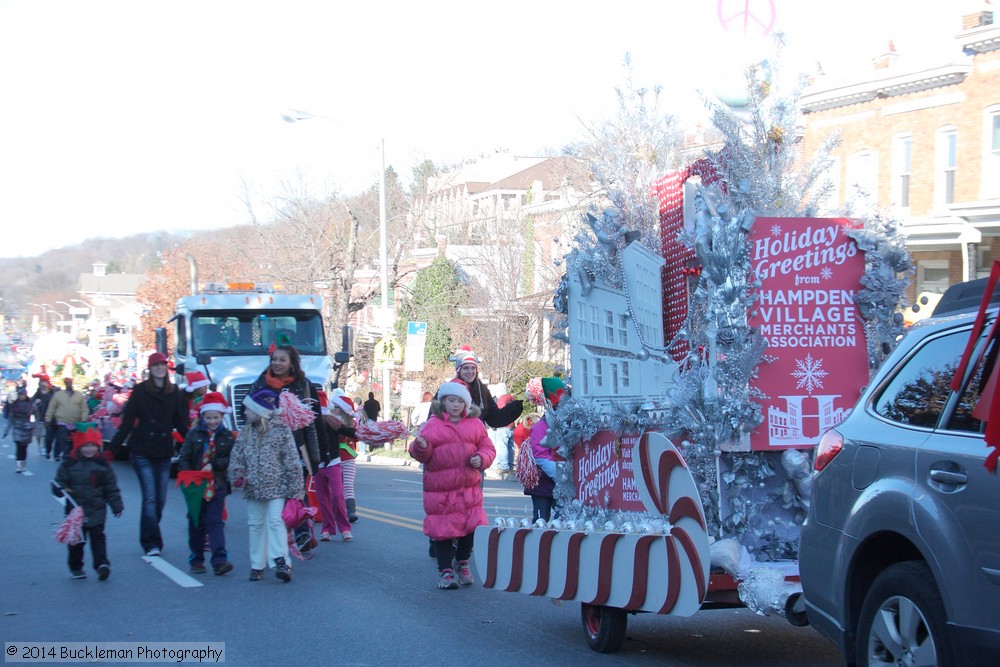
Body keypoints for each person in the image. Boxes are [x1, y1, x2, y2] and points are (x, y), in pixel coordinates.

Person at [409, 380, 495, 590]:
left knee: (472, 528)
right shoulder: (433, 424)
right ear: (443, 402)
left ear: (466, 404)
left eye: (459, 401)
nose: (455, 405)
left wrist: (481, 458)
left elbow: (488, 448)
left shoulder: (475, 424)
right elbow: (421, 453)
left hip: (468, 489)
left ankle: (463, 562)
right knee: (444, 531)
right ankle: (445, 571)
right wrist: (420, 447)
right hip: (441, 490)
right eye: (451, 400)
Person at [243, 344, 323, 554]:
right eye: (274, 359)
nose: (277, 363)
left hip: (297, 448)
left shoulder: (303, 385)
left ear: (291, 363)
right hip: (267, 449)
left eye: (282, 360)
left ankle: (303, 534)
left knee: (297, 491)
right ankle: (278, 536)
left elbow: (311, 422)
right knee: (274, 496)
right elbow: (248, 416)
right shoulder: (261, 383)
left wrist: (315, 457)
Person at [109, 352, 189, 557]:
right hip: (142, 449)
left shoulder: (175, 393)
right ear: (150, 369)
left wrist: (196, 442)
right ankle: (151, 542)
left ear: (167, 368)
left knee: (160, 499)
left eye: (163, 365)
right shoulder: (140, 391)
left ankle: (149, 532)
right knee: (150, 498)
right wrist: (112, 449)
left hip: (163, 451)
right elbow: (127, 422)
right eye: (156, 366)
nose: (160, 369)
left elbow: (181, 424)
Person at [228, 388, 304, 583]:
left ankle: (281, 561)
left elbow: (292, 461)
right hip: (253, 488)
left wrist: (296, 491)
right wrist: (237, 475)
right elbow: (237, 457)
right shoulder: (245, 432)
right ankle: (257, 565)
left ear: (260, 411)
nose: (244, 413)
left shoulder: (280, 430)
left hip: (277, 487)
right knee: (255, 525)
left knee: (275, 522)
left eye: (247, 409)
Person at [54, 423, 124, 580]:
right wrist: (59, 489)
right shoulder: (69, 464)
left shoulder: (102, 465)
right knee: (76, 542)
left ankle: (102, 564)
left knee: (98, 538)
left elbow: (111, 488)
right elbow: (59, 483)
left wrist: (116, 506)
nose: (89, 449)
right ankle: (76, 567)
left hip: (97, 509)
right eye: (86, 446)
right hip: (75, 511)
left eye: (93, 446)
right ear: (78, 446)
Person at [176, 392, 234, 576]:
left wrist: (214, 465)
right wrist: (188, 475)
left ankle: (219, 560)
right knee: (196, 522)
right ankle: (197, 559)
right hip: (195, 484)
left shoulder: (226, 436)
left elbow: (230, 458)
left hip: (216, 483)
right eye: (208, 418)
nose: (212, 422)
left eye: (216, 417)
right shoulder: (194, 434)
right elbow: (184, 456)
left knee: (215, 522)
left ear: (222, 417)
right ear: (203, 417)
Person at [523, 378, 565, 523]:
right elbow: (540, 455)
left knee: (562, 519)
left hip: (563, 481)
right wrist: (560, 476)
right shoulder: (540, 427)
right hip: (544, 482)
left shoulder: (569, 424)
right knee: (541, 519)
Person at [314, 389, 354, 542]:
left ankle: (345, 528)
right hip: (318, 464)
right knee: (322, 499)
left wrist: (365, 433)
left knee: (337, 496)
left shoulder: (333, 422)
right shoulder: (313, 424)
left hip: (334, 462)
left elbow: (351, 432)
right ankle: (327, 528)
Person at [45, 377, 89, 462]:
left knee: (73, 440)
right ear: (65, 384)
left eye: (70, 383)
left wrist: (84, 419)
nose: (69, 384)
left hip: (75, 421)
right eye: (67, 383)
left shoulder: (78, 395)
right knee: (62, 439)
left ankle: (69, 453)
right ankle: (61, 454)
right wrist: (48, 419)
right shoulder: (58, 395)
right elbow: (51, 408)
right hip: (62, 421)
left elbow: (84, 408)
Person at [7, 388, 34, 473]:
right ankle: (18, 466)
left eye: (23, 395)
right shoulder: (15, 405)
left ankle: (23, 464)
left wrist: (34, 425)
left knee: (24, 447)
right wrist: (7, 430)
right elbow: (11, 418)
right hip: (17, 427)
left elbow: (37, 415)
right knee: (18, 446)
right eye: (20, 395)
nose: (22, 396)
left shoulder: (31, 405)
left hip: (26, 427)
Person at [489, 393, 516, 473]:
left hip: (503, 426)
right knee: (510, 447)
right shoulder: (511, 398)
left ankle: (504, 467)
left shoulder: (502, 398)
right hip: (511, 425)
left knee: (502, 447)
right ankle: (510, 465)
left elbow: (500, 411)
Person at [31, 375, 55, 458]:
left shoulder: (52, 393)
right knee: (38, 434)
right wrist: (35, 403)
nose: (43, 387)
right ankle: (39, 447)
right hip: (38, 416)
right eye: (41, 386)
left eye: (44, 386)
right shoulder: (37, 393)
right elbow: (31, 402)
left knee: (45, 433)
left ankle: (44, 448)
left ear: (48, 385)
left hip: (49, 416)